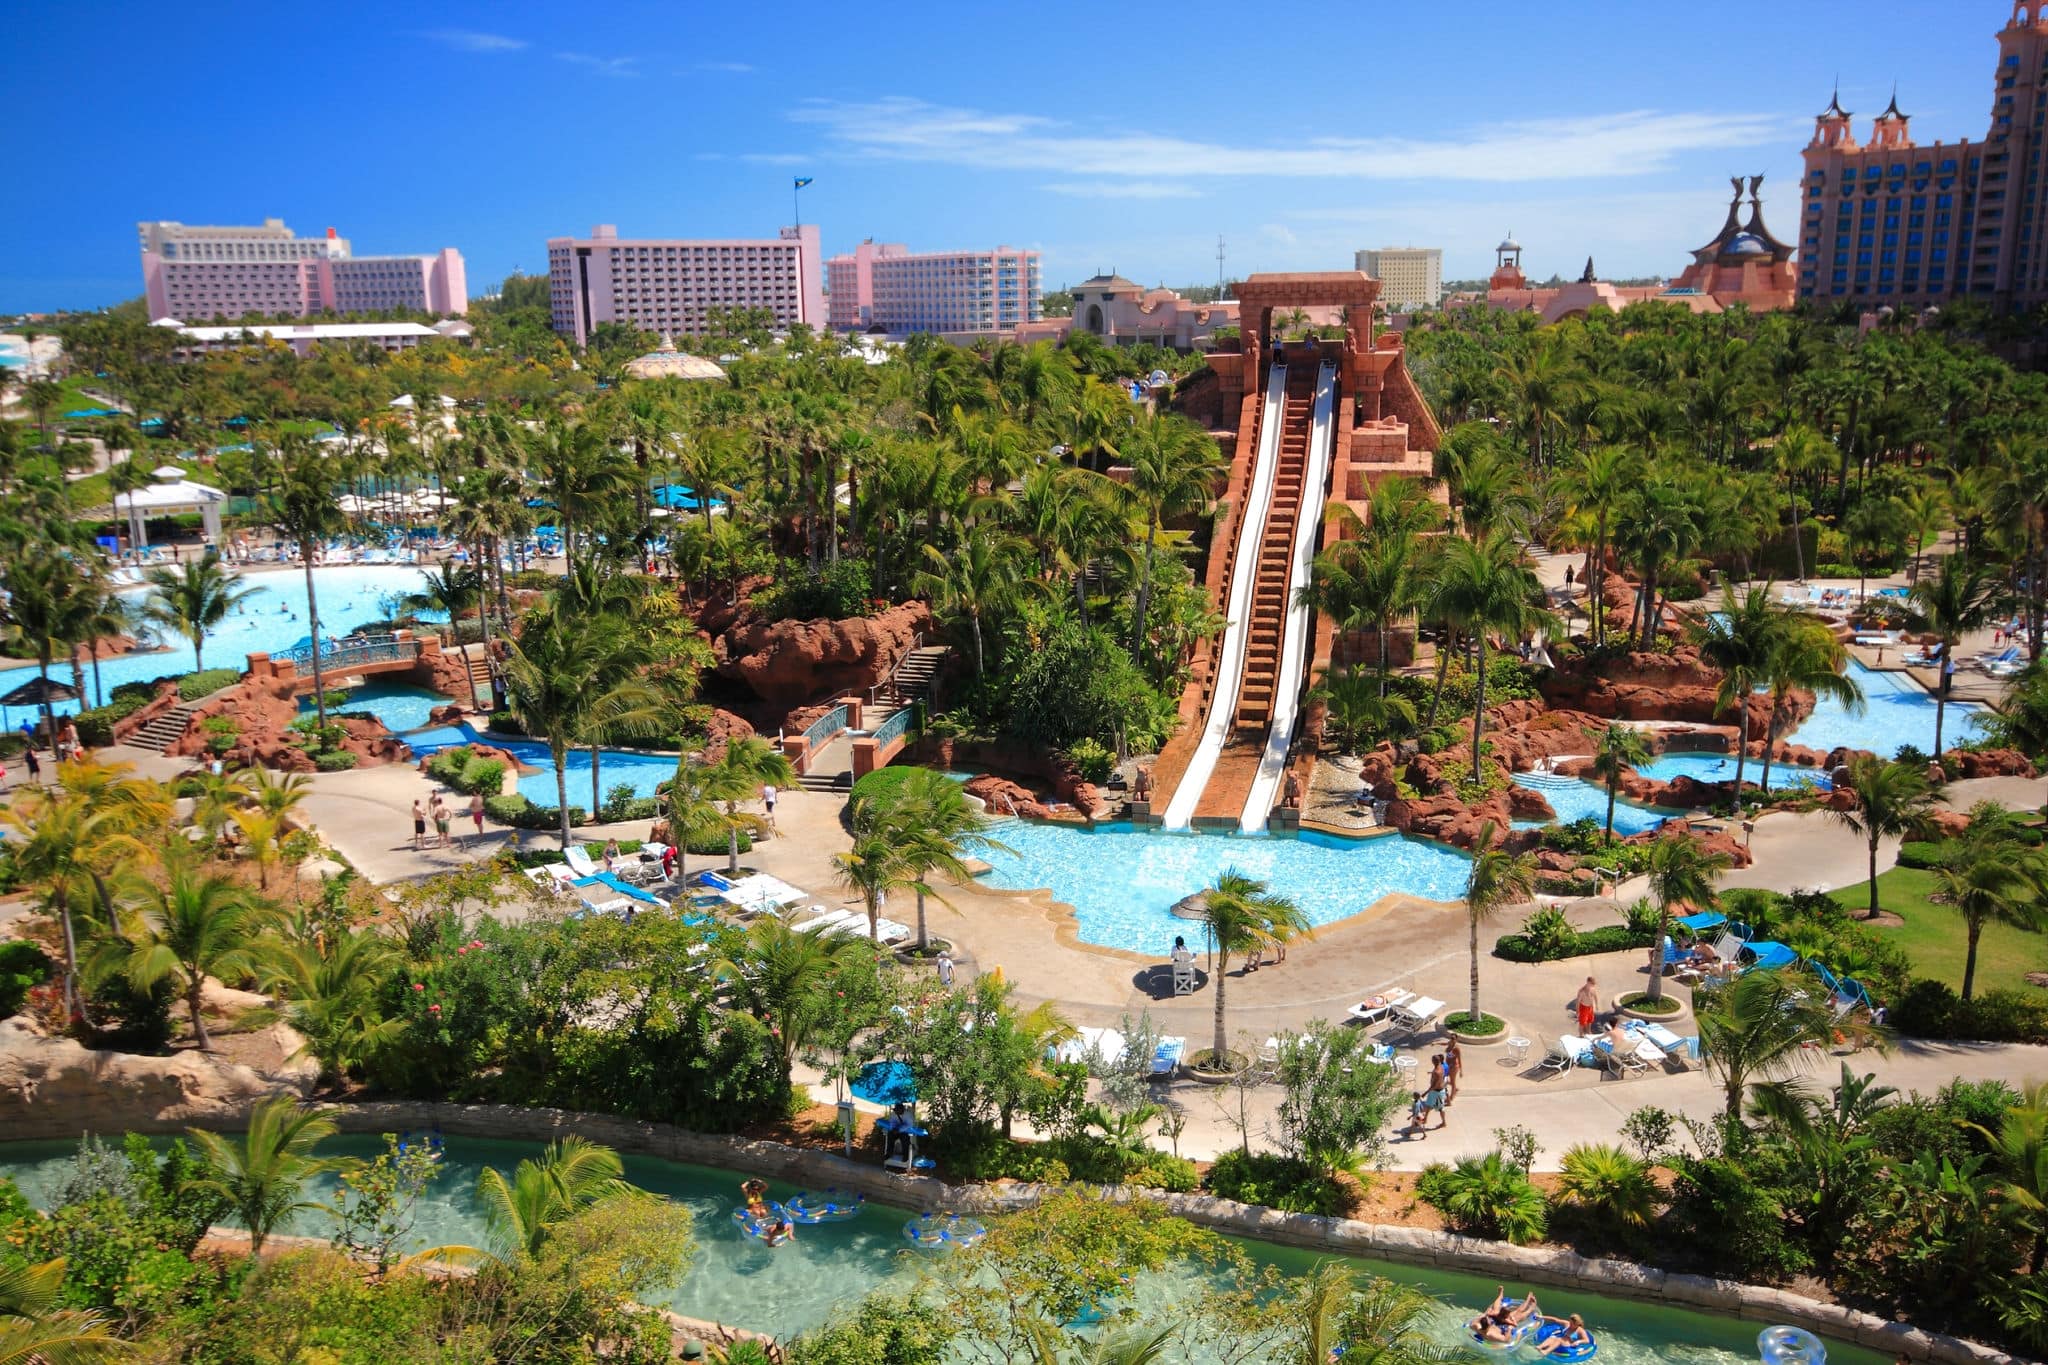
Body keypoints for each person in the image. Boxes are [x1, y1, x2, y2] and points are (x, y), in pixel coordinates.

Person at [1443, 1036, 1463, 1103]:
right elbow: (1444, 1043)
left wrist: (1461, 1071)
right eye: (1451, 1038)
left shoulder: (1456, 1048)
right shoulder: (1449, 1043)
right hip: (1448, 1066)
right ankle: (1455, 1088)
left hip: (1454, 1067)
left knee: (1453, 1081)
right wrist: (1436, 1043)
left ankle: (1451, 1098)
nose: (1452, 1039)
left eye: (1453, 1038)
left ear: (1456, 1039)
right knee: (1443, 1079)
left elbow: (1459, 1059)